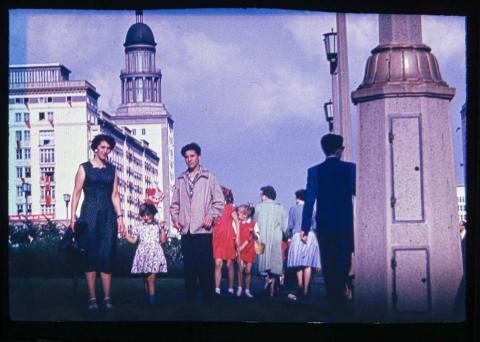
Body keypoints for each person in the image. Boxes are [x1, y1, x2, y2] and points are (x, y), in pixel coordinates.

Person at [301, 133, 355, 319]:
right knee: (343, 263)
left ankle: (333, 301)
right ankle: (340, 299)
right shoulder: (350, 169)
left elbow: (309, 202)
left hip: (324, 226)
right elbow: (359, 192)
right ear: (339, 149)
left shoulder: (314, 171)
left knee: (328, 264)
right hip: (345, 224)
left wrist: (305, 228)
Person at [70, 134, 126, 311]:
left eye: (108, 148)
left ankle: (107, 298)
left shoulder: (112, 170)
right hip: (89, 216)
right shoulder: (83, 168)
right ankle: (93, 298)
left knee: (106, 254)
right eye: (102, 147)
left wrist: (121, 217)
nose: (105, 151)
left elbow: (115, 195)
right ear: (95, 148)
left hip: (108, 217)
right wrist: (72, 217)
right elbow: (76, 193)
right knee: (90, 256)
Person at [170, 142, 224, 305]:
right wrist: (175, 218)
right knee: (189, 269)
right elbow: (174, 204)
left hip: (203, 230)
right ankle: (190, 300)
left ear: (199, 157)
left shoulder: (209, 177)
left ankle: (208, 299)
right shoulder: (181, 179)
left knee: (205, 267)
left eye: (192, 156)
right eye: (186, 157)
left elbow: (219, 202)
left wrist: (211, 216)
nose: (189, 159)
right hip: (186, 230)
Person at [124, 203, 167, 306]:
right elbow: (134, 240)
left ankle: (152, 302)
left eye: (148, 214)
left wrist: (162, 228)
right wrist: (125, 235)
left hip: (154, 253)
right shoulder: (140, 225)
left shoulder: (157, 224)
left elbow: (163, 240)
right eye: (143, 215)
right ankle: (147, 298)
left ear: (153, 213)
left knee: (151, 278)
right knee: (145, 278)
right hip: (143, 254)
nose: (146, 217)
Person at [254, 185, 288, 297]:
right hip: (276, 238)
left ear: (265, 195)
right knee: (274, 265)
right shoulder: (280, 208)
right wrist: (286, 236)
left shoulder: (258, 208)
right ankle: (272, 290)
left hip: (262, 238)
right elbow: (285, 227)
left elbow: (255, 224)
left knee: (264, 263)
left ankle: (267, 285)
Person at [287, 189, 321, 298]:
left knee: (298, 263)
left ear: (297, 197)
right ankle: (306, 288)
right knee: (307, 264)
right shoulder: (312, 209)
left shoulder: (292, 209)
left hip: (297, 236)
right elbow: (315, 226)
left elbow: (291, 226)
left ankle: (300, 285)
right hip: (310, 235)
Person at [212, 187, 237, 296]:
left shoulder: (230, 207)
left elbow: (237, 222)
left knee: (229, 264)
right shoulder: (213, 208)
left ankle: (231, 287)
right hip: (217, 238)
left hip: (228, 238)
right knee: (218, 264)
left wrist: (238, 237)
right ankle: (217, 288)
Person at [235, 204, 260, 298]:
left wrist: (253, 232)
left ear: (246, 215)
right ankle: (240, 288)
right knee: (240, 269)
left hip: (249, 250)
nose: (239, 215)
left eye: (240, 214)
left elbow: (257, 237)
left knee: (248, 271)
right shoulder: (238, 224)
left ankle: (247, 290)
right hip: (240, 249)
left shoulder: (254, 223)